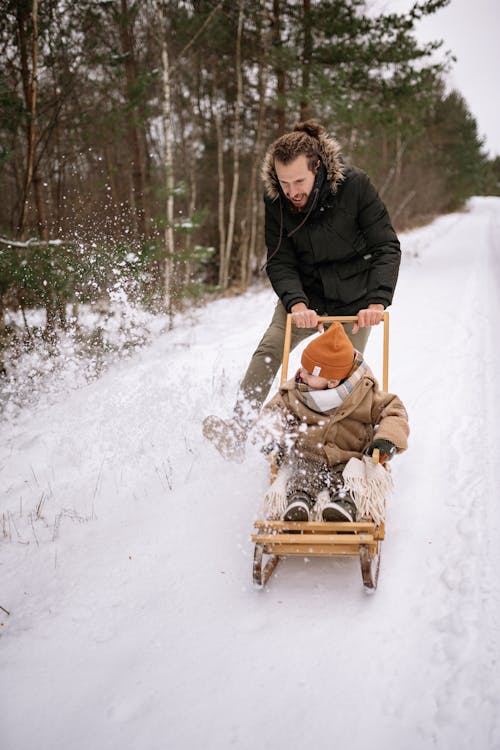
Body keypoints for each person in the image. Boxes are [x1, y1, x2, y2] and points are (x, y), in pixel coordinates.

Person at [203, 119, 401, 461]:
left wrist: (377, 301)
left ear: (318, 168)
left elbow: (386, 246)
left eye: (299, 181)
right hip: (306, 297)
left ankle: (343, 448)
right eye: (284, 182)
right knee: (270, 348)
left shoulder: (355, 187)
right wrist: (295, 303)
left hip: (355, 302)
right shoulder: (277, 201)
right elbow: (279, 260)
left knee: (342, 378)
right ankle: (239, 427)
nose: (292, 190)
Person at [257, 322, 409, 522]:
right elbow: (273, 413)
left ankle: (343, 506)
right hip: (308, 454)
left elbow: (394, 412)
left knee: (348, 480)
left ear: (332, 382)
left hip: (348, 457)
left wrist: (387, 440)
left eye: (310, 373)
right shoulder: (294, 392)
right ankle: (299, 501)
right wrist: (274, 439)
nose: (301, 374)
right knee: (303, 476)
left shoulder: (364, 393)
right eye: (303, 367)